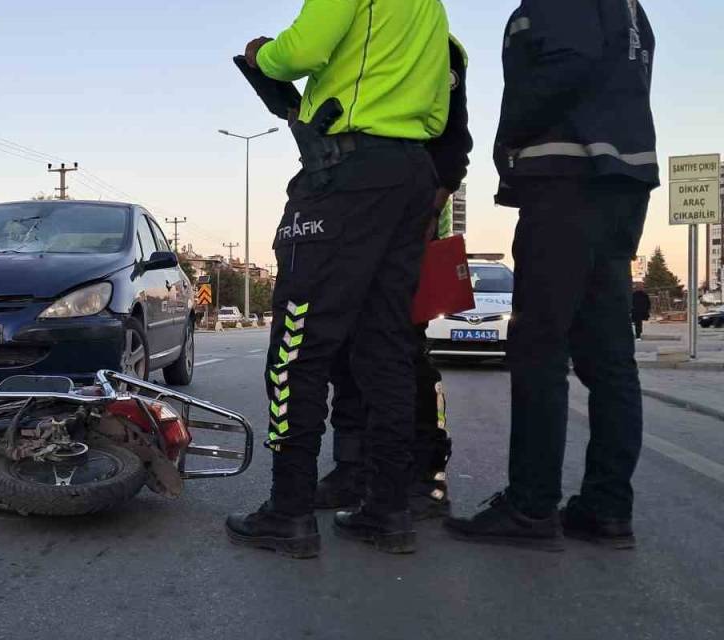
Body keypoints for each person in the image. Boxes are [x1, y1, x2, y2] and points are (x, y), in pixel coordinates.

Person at [226, 0, 451, 558]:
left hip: (346, 173)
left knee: (296, 347)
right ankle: (389, 508)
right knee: (387, 348)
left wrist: (264, 55)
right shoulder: (431, 9)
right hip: (409, 175)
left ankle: (290, 509)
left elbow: (299, 51)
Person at [445, 1, 657, 551]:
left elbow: (568, 64)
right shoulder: (628, 7)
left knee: (538, 347)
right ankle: (607, 509)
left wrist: (507, 136)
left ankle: (531, 507)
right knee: (610, 358)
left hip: (567, 181)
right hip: (619, 184)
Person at [319, 34, 473, 521]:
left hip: (409, 224)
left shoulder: (436, 43)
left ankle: (425, 475)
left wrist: (429, 211)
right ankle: (353, 467)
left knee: (401, 352)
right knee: (343, 350)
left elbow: (453, 143)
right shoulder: (353, 33)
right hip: (349, 218)